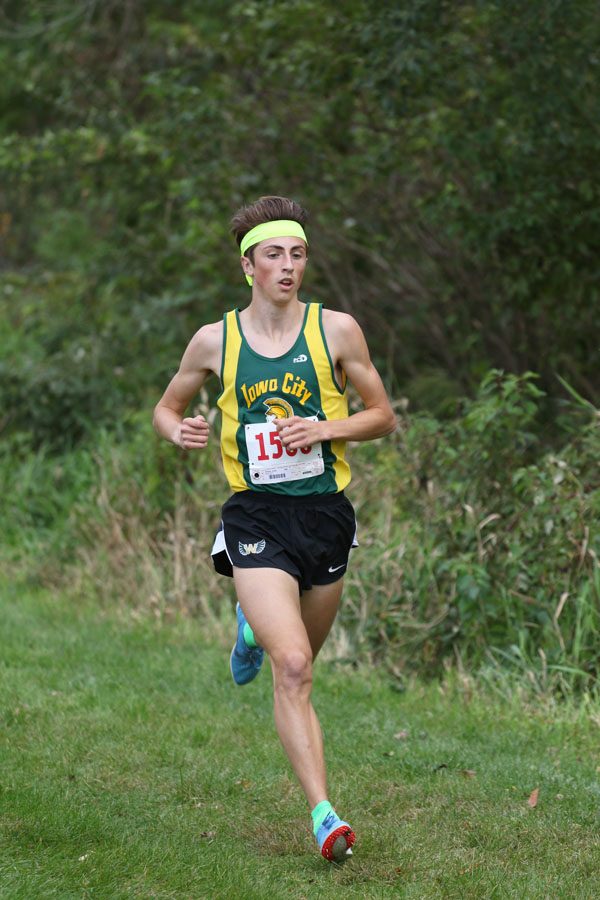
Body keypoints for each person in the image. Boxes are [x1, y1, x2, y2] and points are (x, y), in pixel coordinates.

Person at [153, 196, 396, 862]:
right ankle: (324, 815)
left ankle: (250, 626)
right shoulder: (215, 340)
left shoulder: (337, 331)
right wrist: (184, 430)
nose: (288, 267)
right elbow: (167, 409)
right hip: (255, 515)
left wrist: (325, 427)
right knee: (291, 667)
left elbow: (382, 415)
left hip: (325, 516)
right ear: (248, 266)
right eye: (274, 256)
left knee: (302, 659)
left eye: (297, 254)